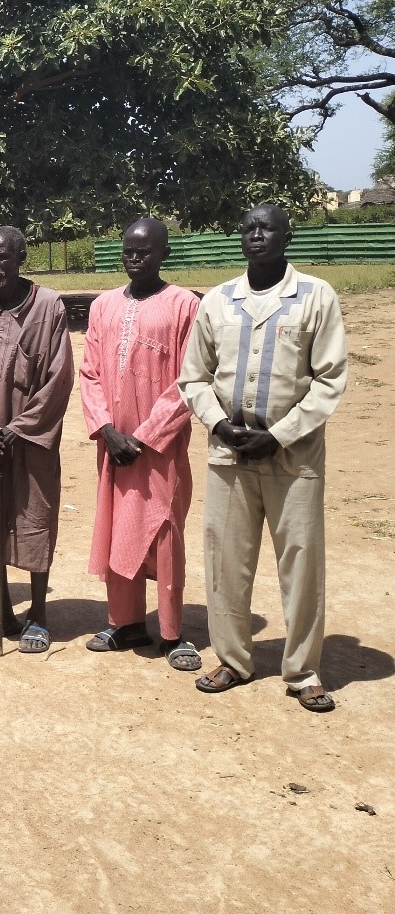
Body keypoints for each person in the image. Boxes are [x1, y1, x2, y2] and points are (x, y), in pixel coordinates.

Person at [178, 204, 347, 712]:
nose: (257, 235)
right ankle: (232, 659)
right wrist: (219, 424)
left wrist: (280, 434)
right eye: (248, 228)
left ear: (286, 236)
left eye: (267, 227)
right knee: (226, 559)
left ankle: (303, 670)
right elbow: (194, 377)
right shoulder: (218, 301)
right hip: (229, 455)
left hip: (293, 458)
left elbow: (329, 378)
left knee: (300, 561)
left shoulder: (316, 297)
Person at [80, 220, 202, 671]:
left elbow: (191, 380)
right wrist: (107, 430)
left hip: (159, 448)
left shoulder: (184, 305)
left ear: (163, 253)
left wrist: (147, 435)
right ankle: (126, 621)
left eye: (145, 251)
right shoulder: (103, 305)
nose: (135, 258)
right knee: (117, 527)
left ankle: (171, 633)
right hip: (113, 445)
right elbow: (90, 373)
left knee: (164, 531)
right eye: (129, 250)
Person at [0, 226, 74, 654]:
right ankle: (2, 610)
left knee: (34, 519)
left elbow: (59, 380)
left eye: (3, 258)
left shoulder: (49, 306)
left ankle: (38, 613)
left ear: (21, 258)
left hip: (31, 441)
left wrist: (20, 429)